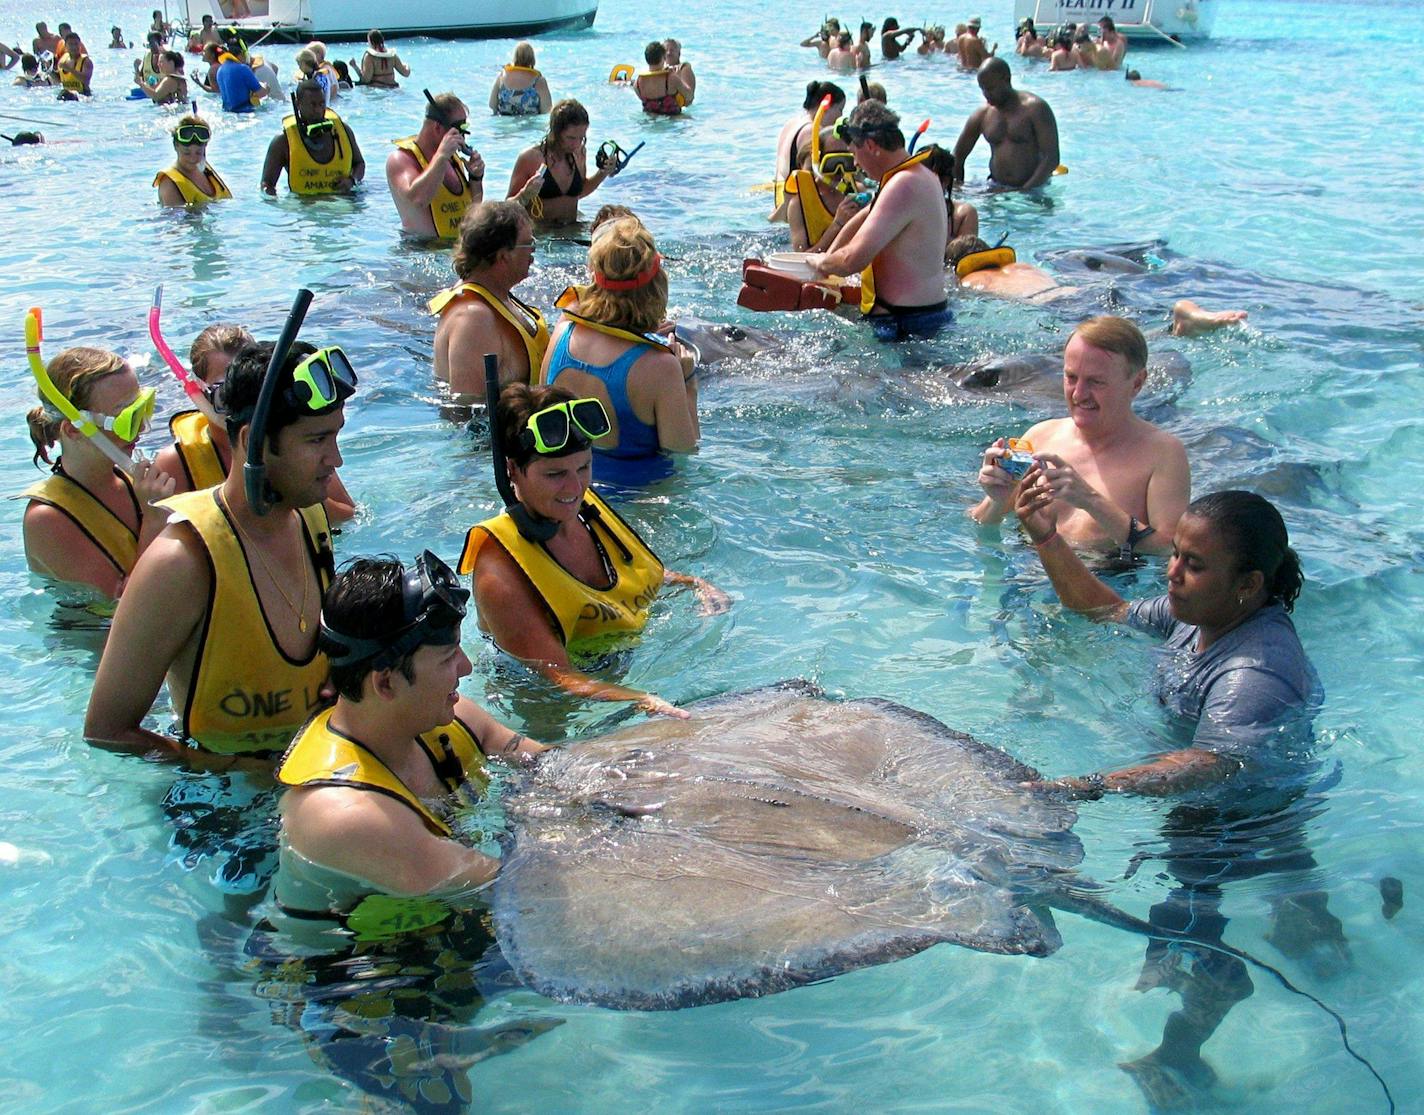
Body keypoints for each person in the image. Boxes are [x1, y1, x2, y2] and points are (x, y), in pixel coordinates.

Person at [1012, 488, 1339, 1104]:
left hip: (1230, 811)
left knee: (1185, 931)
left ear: (1247, 584)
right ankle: (1324, 942)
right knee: (1299, 911)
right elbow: (1105, 611)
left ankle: (1180, 1054)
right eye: (1177, 554)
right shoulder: (1203, 616)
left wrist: (1092, 785)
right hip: (1261, 800)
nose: (1172, 571)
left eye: (1194, 563)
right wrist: (1046, 538)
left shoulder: (1255, 671)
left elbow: (1216, 762)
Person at [85, 339, 353, 765]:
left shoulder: (312, 518)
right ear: (253, 440)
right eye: (317, 440)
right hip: (219, 809)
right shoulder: (181, 561)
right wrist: (247, 774)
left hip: (314, 765)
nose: (335, 459)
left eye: (336, 435)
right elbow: (106, 732)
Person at [271, 551, 546, 940]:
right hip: (357, 976)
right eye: (449, 657)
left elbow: (556, 767)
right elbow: (523, 890)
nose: (466, 668)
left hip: (439, 932)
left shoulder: (448, 719)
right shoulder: (345, 815)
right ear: (385, 683)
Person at [460, 382, 727, 716]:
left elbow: (632, 577)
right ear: (512, 470)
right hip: (543, 701)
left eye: (584, 467)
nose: (574, 488)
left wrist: (694, 584)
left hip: (619, 669)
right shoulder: (498, 570)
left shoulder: (584, 511)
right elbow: (557, 675)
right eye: (555, 474)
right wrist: (639, 700)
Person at [969, 316, 1188, 556]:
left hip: (1110, 581)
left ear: (1136, 383)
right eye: (1071, 378)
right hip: (1026, 572)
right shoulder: (1040, 436)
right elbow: (982, 525)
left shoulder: (1163, 454)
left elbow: (1170, 551)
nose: (1079, 394)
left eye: (1096, 382)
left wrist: (1089, 499)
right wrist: (996, 500)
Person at [541, 217, 698, 479]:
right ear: (657, 284)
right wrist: (688, 382)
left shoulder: (562, 332)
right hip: (637, 506)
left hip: (573, 494)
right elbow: (684, 456)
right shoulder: (660, 367)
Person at [153, 324, 358, 521]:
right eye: (225, 392)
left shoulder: (293, 439)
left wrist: (300, 492)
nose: (244, 402)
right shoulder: (176, 462)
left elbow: (350, 515)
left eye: (255, 387)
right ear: (199, 394)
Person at [22, 346, 174, 598]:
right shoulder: (47, 519)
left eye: (142, 409)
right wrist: (154, 518)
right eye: (127, 419)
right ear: (73, 430)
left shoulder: (134, 482)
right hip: (93, 635)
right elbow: (120, 603)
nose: (142, 428)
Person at [807, 101, 950, 342]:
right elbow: (862, 219)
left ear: (871, 145)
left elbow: (852, 260)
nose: (854, 164)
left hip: (905, 327)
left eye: (854, 153)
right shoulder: (919, 175)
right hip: (924, 318)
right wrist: (828, 260)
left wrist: (820, 262)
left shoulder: (903, 185)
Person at [947, 236, 1249, 335]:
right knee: (1135, 320)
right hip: (1080, 292)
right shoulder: (1021, 266)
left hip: (1053, 306)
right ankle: (1179, 314)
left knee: (1117, 339)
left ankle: (1177, 326)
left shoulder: (972, 280)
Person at [432, 201, 547, 399]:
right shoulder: (473, 319)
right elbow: (467, 413)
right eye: (529, 244)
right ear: (503, 256)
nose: (533, 253)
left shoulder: (497, 295)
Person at [386, 92, 484, 240]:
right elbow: (418, 200)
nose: (462, 137)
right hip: (421, 253)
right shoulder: (401, 159)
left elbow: (473, 210)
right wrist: (441, 156)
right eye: (459, 129)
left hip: (458, 250)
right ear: (438, 127)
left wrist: (476, 178)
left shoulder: (453, 160)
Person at [953, 58, 1060, 190]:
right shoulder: (982, 115)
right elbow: (958, 156)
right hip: (995, 187)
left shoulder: (1035, 109)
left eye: (991, 89)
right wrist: (957, 189)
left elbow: (1051, 158)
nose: (986, 95)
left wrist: (1025, 191)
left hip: (1034, 190)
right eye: (983, 89)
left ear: (1006, 79)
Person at [506, 99, 617, 225]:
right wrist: (525, 195)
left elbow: (578, 193)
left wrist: (603, 172)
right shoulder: (531, 158)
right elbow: (506, 209)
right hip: (542, 235)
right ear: (555, 132)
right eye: (571, 138)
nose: (576, 144)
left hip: (572, 229)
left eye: (582, 138)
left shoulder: (579, 153)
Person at [261, 79, 365, 196]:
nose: (318, 110)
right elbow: (267, 185)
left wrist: (352, 180)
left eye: (321, 104)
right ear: (298, 105)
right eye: (312, 105)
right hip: (304, 207)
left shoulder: (343, 131)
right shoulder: (283, 142)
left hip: (342, 203)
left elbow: (359, 163)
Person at [771, 80, 845, 221]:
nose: (840, 117)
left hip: (780, 192)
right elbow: (811, 175)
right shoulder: (811, 131)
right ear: (826, 105)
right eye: (840, 110)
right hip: (792, 201)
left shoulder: (793, 122)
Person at [154, 114, 232, 207]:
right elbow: (176, 219)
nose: (193, 159)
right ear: (175, 146)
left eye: (198, 152)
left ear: (205, 146)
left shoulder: (206, 171)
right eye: (186, 153)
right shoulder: (169, 184)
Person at [924, 147, 980, 246]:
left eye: (923, 180)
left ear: (945, 182)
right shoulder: (904, 208)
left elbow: (963, 255)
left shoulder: (963, 214)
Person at [489, 41, 549, 115]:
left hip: (504, 124)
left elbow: (492, 105)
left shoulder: (502, 76)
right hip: (530, 125)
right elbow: (546, 110)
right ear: (532, 59)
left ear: (515, 57)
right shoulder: (539, 81)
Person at [634, 41, 689, 115]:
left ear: (647, 59)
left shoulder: (637, 83)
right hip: (672, 119)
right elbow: (689, 96)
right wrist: (679, 75)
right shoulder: (671, 78)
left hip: (649, 121)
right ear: (664, 57)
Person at [215, 43, 268, 113]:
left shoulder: (220, 70)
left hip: (227, 112)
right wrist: (266, 87)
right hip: (245, 112)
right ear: (240, 55)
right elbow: (261, 93)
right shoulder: (243, 68)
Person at [663, 39, 695, 104]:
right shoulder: (661, 70)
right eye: (666, 50)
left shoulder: (684, 69)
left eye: (672, 50)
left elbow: (690, 98)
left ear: (679, 53)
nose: (668, 53)